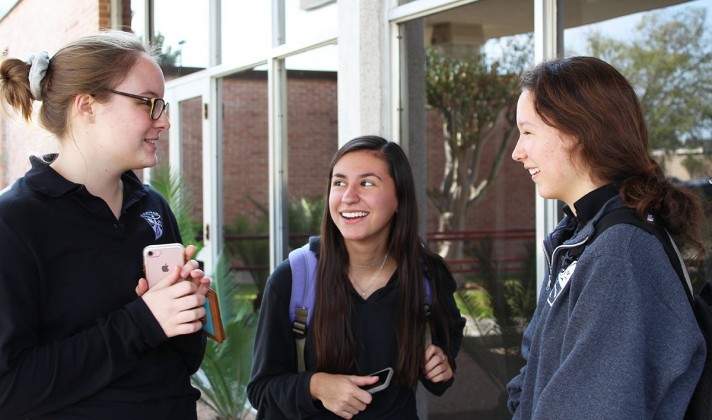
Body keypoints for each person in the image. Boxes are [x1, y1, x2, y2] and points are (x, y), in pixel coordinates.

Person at [0, 30, 211, 419]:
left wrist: (186, 307)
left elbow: (186, 360)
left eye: (162, 105)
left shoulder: (152, 207)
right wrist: (142, 321)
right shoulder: (14, 222)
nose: (164, 121)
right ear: (87, 106)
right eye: (149, 103)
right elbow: (10, 390)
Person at [506, 56, 707, 419]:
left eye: (528, 132)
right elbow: (533, 371)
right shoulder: (578, 238)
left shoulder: (619, 254)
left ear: (579, 131)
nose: (518, 152)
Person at [247, 135, 466, 419]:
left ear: (399, 197)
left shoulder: (427, 276)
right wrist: (316, 386)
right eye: (339, 183)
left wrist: (441, 365)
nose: (349, 197)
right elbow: (261, 389)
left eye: (366, 183)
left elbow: (445, 353)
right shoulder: (291, 279)